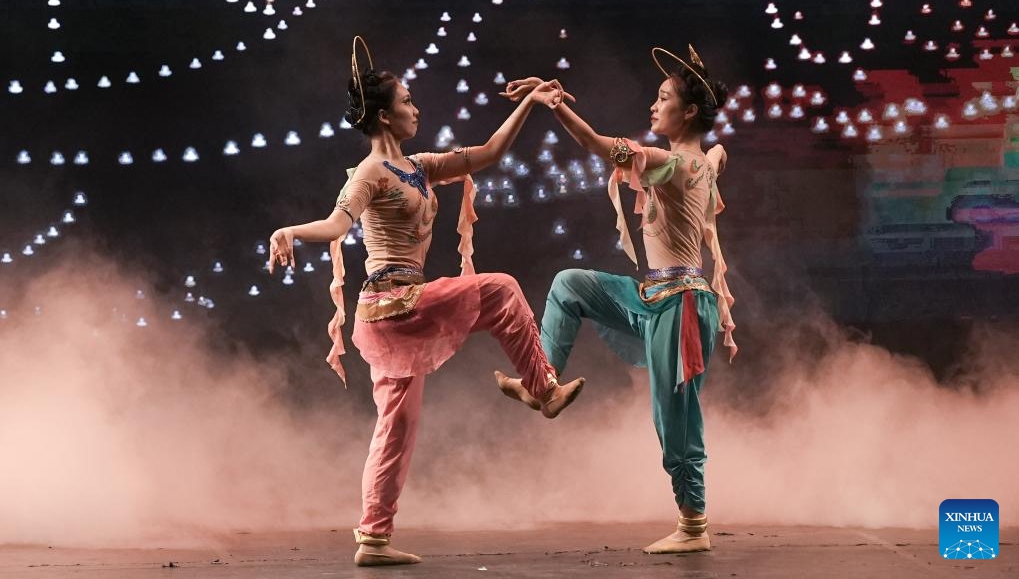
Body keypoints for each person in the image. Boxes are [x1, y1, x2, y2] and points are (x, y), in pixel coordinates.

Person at [268, 37, 585, 567]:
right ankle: (542, 389)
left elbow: (489, 153)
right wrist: (290, 231)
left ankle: (373, 540)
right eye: (408, 101)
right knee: (501, 288)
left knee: (396, 427)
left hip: (400, 309)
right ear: (385, 116)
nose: (416, 109)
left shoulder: (419, 166)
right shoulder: (369, 173)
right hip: (392, 304)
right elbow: (336, 225)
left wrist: (530, 103)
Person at [494, 45, 735, 554]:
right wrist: (717, 153)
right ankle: (544, 387)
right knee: (569, 284)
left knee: (674, 416)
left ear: (689, 110)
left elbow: (597, 144)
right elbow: (715, 156)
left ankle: (693, 525)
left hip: (682, 307)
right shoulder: (700, 160)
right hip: (653, 296)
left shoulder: (672, 162)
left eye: (663, 97)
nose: (653, 105)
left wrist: (555, 104)